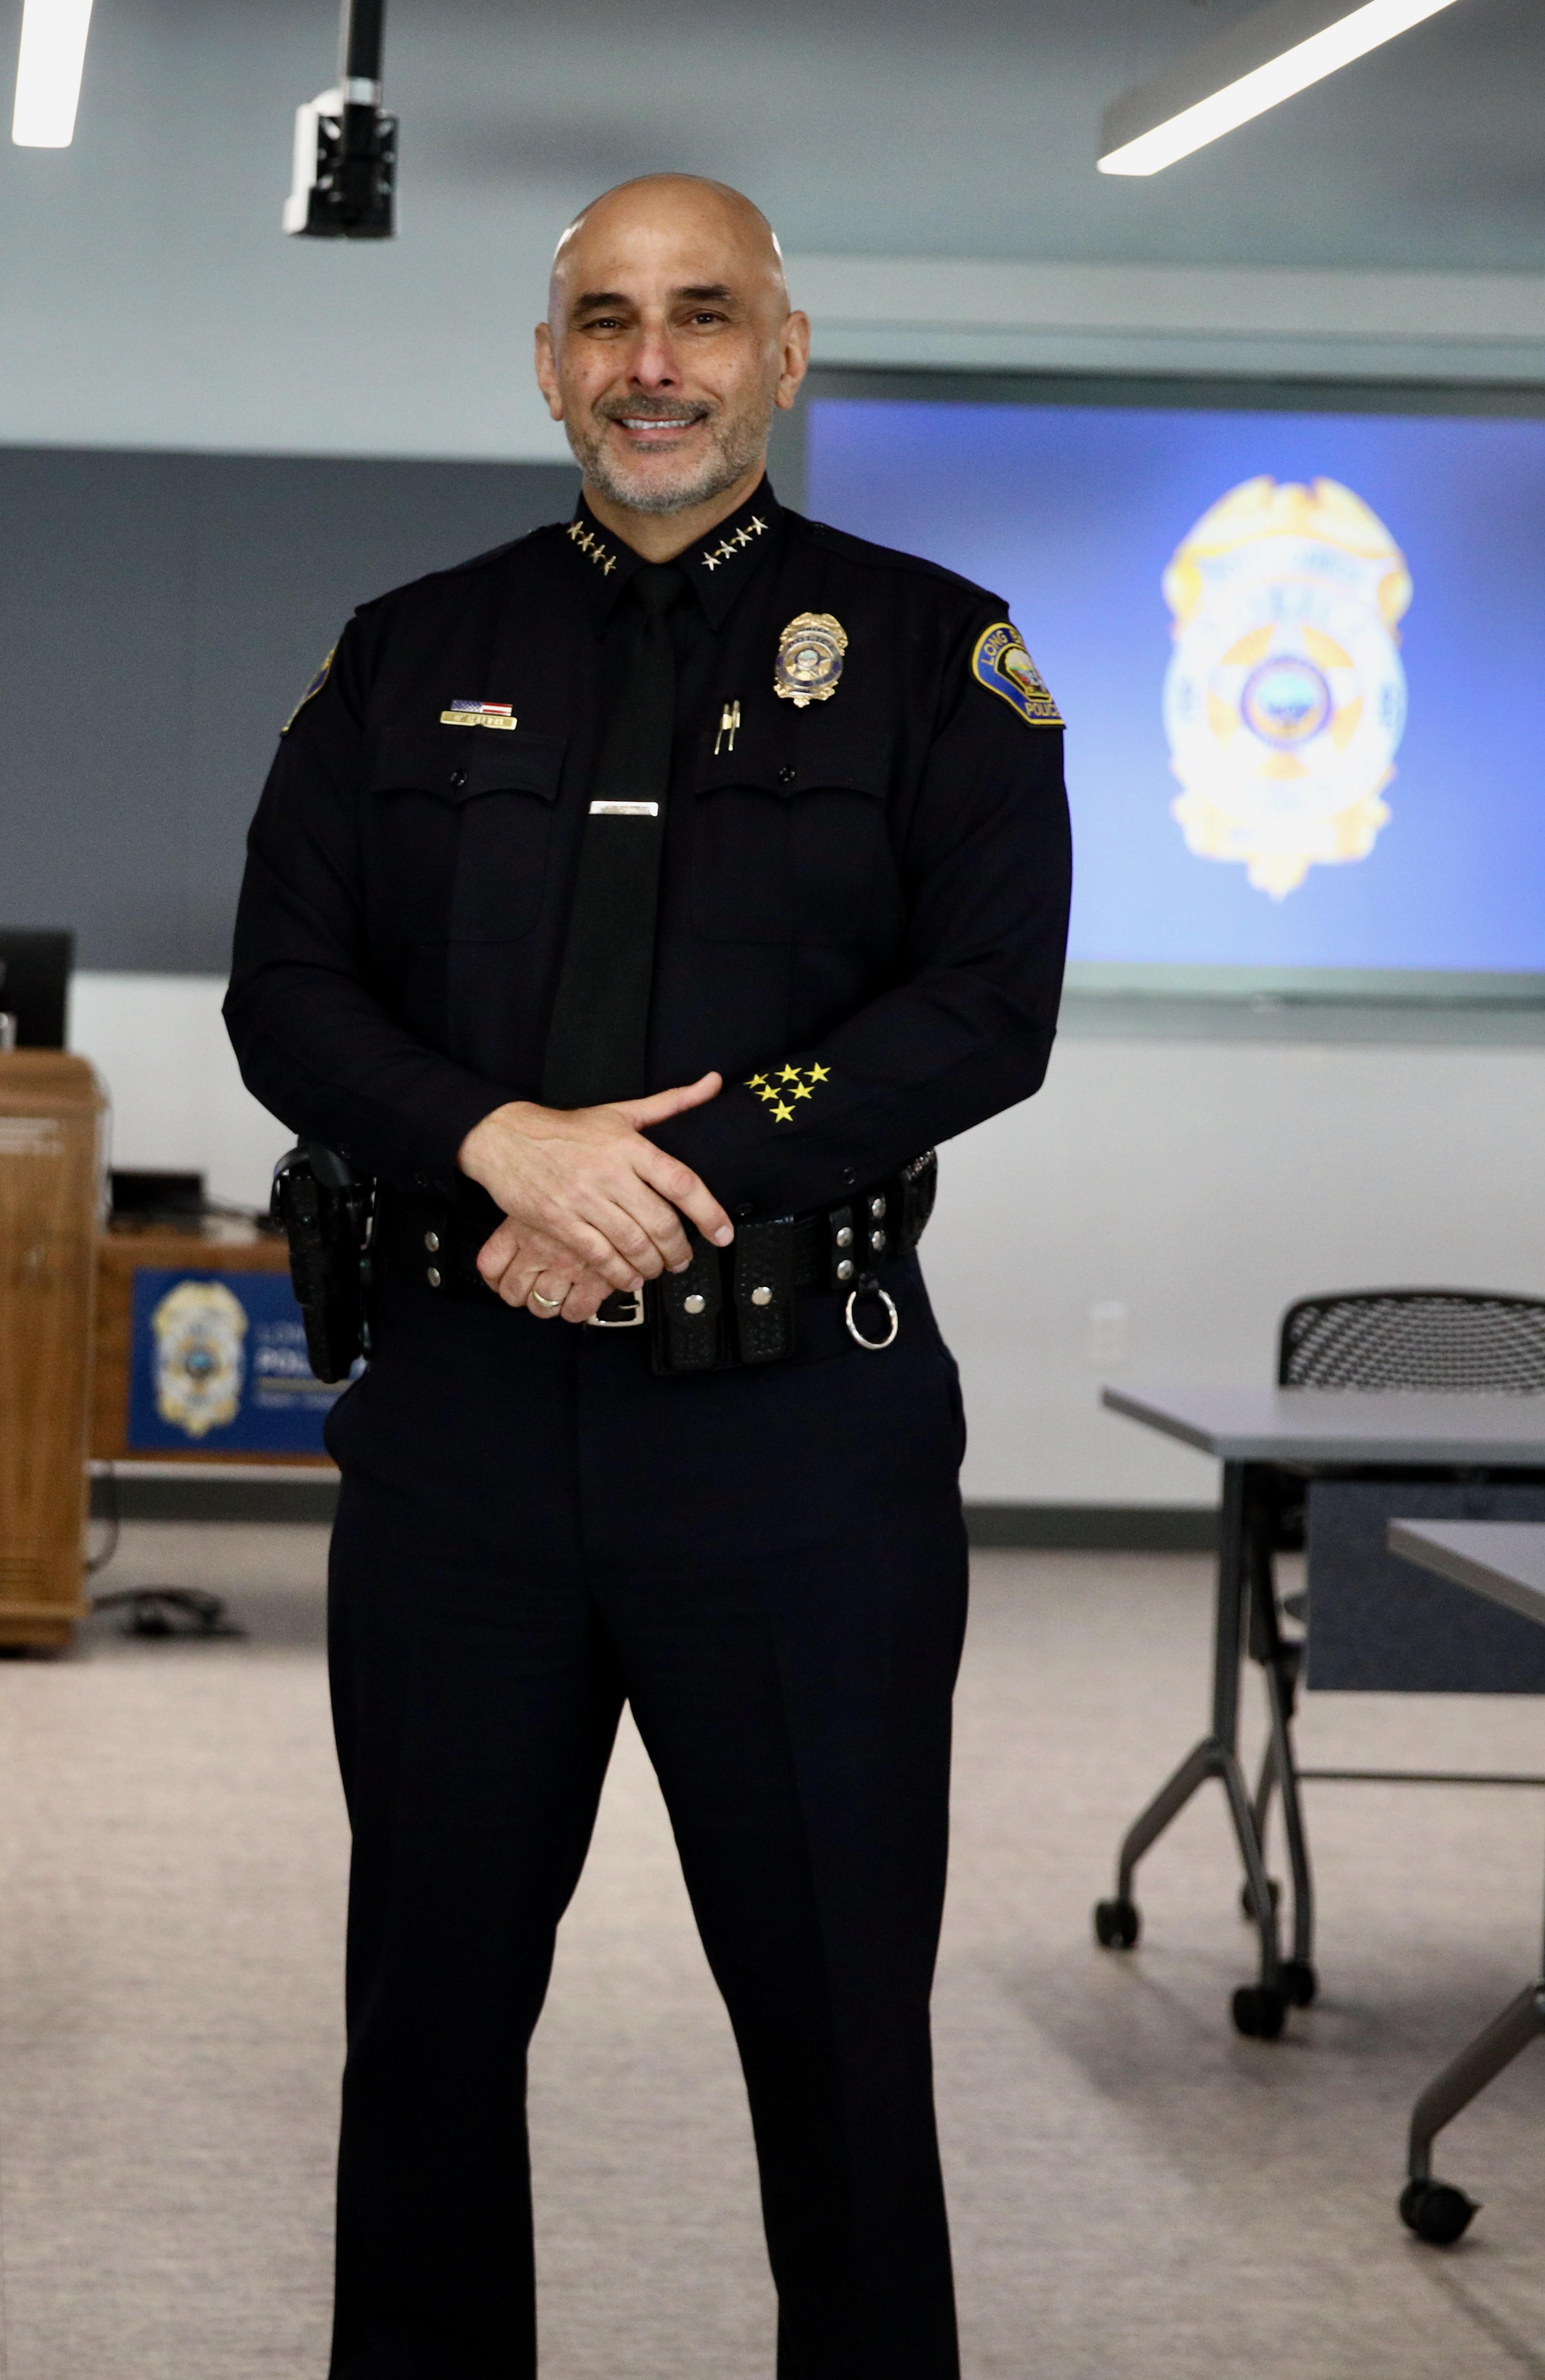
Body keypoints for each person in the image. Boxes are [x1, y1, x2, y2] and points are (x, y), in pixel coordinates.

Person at [223, 173, 1071, 2378]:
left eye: (704, 315)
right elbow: (284, 992)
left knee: (838, 2028)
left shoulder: (934, 656)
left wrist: (655, 1179)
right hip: (465, 1429)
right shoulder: (405, 654)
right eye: (606, 320)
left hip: (800, 1443)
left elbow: (985, 1008)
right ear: (547, 364)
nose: (653, 361)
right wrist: (499, 1142)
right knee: (423, 2015)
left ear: (787, 351)